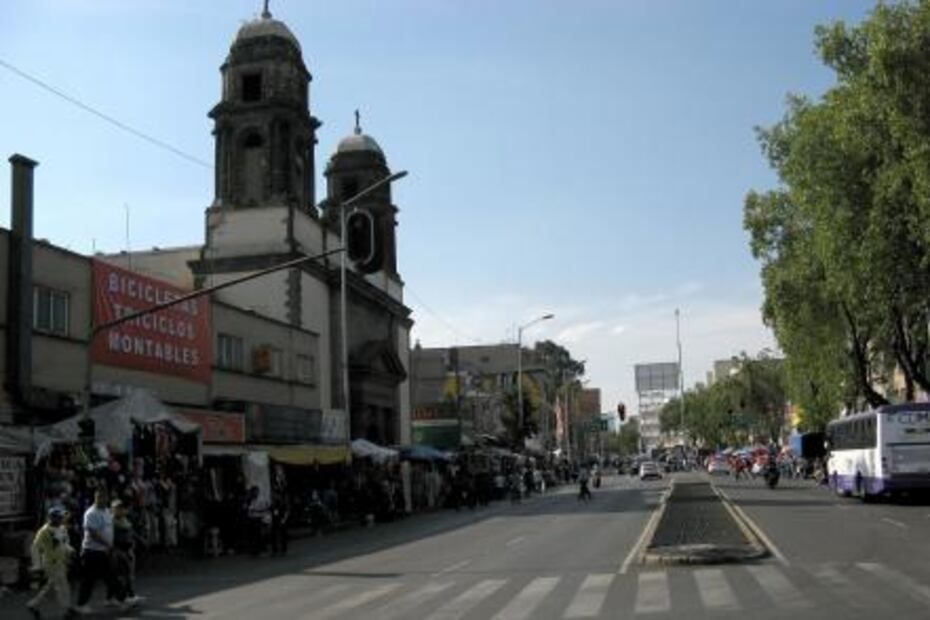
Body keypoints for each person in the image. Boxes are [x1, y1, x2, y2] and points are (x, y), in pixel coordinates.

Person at [27, 505, 79, 619]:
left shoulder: (62, 528)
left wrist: (70, 551)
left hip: (61, 561)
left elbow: (64, 544)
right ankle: (67, 610)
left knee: (52, 586)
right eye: (59, 517)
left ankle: (34, 605)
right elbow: (35, 547)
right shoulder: (44, 531)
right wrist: (37, 565)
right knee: (62, 586)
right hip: (51, 562)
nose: (62, 519)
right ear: (52, 518)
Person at [75, 489, 120, 615]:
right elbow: (93, 533)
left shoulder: (106, 511)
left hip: (105, 551)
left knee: (111, 575)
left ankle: (111, 599)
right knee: (89, 579)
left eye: (105, 498)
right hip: (92, 551)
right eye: (101, 498)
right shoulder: (91, 513)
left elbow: (109, 528)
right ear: (96, 498)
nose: (104, 500)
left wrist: (110, 545)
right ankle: (81, 605)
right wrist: (107, 543)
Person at [111, 500, 143, 608]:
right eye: (117, 508)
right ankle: (122, 598)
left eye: (121, 508)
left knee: (129, 575)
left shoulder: (125, 520)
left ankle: (129, 596)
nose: (120, 510)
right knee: (123, 576)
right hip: (118, 550)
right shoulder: (112, 522)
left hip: (128, 550)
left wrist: (140, 539)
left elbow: (131, 532)